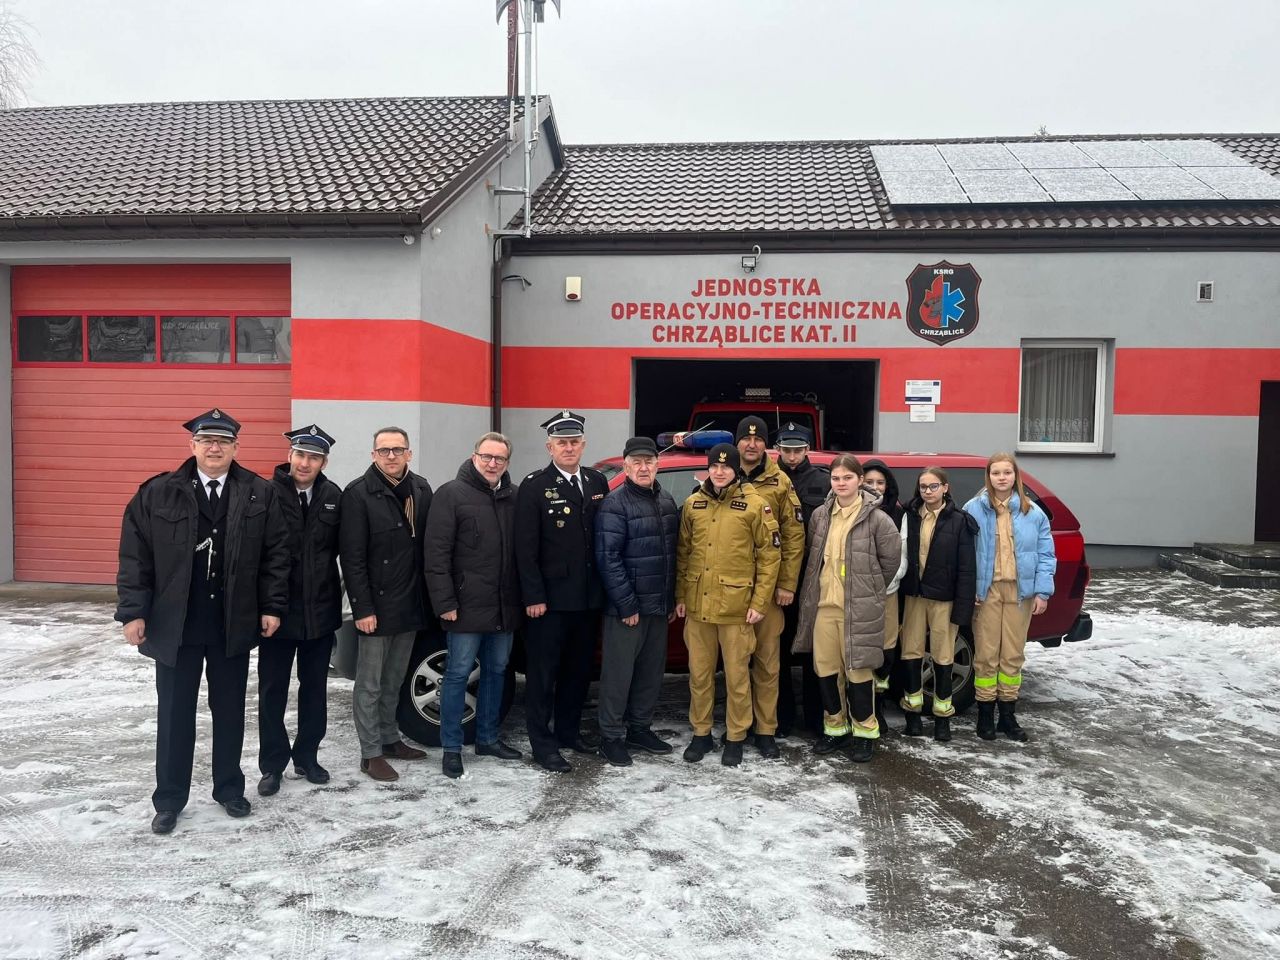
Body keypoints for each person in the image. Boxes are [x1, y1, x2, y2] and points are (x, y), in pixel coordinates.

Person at [116, 409, 289, 834]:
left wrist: (272, 606)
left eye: (223, 442)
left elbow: (277, 555)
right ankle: (170, 798)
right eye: (207, 441)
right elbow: (135, 557)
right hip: (175, 626)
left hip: (232, 622)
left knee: (229, 710)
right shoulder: (159, 493)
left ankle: (229, 788)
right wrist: (133, 611)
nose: (215, 448)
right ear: (192, 446)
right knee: (175, 714)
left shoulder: (258, 494)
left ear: (235, 447)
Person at [425, 432, 523, 779]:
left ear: (507, 462)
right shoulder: (451, 494)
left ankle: (487, 738)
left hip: (503, 606)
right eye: (487, 456)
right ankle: (452, 747)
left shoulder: (513, 497)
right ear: (474, 456)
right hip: (464, 607)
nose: (493, 463)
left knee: (497, 673)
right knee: (457, 675)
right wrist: (445, 602)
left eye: (500, 458)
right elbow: (436, 554)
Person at [515, 410, 609, 773]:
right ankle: (543, 743)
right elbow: (526, 548)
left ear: (583, 445)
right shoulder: (535, 485)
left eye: (574, 442)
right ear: (549, 446)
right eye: (562, 443)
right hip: (549, 603)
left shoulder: (597, 480)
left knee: (578, 672)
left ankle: (569, 733)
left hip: (587, 600)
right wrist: (533, 596)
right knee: (543, 675)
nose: (568, 448)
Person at [676, 443, 781, 767]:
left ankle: (736, 735)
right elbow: (683, 553)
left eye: (726, 466)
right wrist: (681, 596)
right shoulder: (693, 504)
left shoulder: (755, 506)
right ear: (707, 469)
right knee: (700, 675)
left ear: (736, 469)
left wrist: (760, 602)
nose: (719, 471)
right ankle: (701, 732)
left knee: (737, 677)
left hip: (737, 607)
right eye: (714, 466)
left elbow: (769, 557)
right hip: (698, 606)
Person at [792, 455, 902, 761]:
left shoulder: (877, 519)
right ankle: (835, 729)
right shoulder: (821, 516)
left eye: (848, 478)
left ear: (859, 481)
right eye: (836, 478)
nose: (841, 484)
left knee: (858, 671)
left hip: (858, 609)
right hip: (824, 607)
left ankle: (865, 732)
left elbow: (891, 561)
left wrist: (870, 588)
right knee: (826, 671)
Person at [339, 427, 434, 782]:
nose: (391, 456)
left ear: (409, 453)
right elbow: (352, 558)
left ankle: (391, 738)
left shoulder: (422, 489)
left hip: (410, 603)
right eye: (384, 451)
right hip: (375, 608)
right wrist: (362, 609)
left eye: (398, 450)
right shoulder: (358, 494)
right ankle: (371, 753)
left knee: (394, 679)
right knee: (370, 683)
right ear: (373, 455)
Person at [257, 425, 343, 797]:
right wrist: (262, 607)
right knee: (272, 691)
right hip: (276, 615)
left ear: (324, 461)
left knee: (315, 690)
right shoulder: (264, 495)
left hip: (320, 614)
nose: (305, 463)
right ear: (290, 456)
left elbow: (345, 551)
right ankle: (272, 765)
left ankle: (307, 756)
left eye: (314, 457)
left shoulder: (333, 496)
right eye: (300, 455)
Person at [593, 436, 680, 766]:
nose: (644, 468)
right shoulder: (615, 504)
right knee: (618, 674)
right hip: (626, 610)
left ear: (657, 465)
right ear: (627, 466)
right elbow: (608, 558)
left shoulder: (667, 500)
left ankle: (640, 728)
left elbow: (673, 556)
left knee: (650, 673)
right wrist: (626, 605)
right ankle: (611, 736)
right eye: (637, 462)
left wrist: (669, 600)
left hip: (658, 607)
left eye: (649, 462)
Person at [964, 453, 1056, 742]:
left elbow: (1046, 555)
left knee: (1013, 655)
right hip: (987, 592)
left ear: (1016, 476)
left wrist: (1043, 591)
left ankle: (1007, 715)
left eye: (1007, 472)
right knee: (987, 654)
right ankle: (985, 715)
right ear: (988, 477)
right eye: (995, 473)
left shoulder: (1033, 513)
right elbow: (964, 554)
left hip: (1020, 592)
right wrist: (969, 590)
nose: (1001, 478)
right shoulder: (973, 509)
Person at [734, 416, 805, 759]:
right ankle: (738, 725)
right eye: (746, 440)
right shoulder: (723, 476)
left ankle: (766, 730)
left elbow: (793, 537)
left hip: (768, 592)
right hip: (730, 591)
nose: (752, 445)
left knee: (767, 665)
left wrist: (787, 583)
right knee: (733, 664)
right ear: (737, 444)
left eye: (758, 440)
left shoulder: (780, 483)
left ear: (766, 445)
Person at [899, 466, 977, 742]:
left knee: (943, 656)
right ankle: (913, 713)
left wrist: (963, 608)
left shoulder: (960, 521)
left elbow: (968, 569)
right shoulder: (908, 515)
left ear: (946, 487)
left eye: (934, 486)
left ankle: (943, 717)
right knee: (911, 654)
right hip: (914, 596)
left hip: (944, 599)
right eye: (923, 487)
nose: (928, 491)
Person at [775, 422, 829, 736]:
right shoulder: (768, 481)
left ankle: (815, 719)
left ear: (807, 450)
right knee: (776, 652)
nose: (792, 456)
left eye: (797, 450)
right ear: (778, 450)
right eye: (786, 450)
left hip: (813, 581)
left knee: (813, 653)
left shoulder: (823, 482)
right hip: (777, 580)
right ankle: (781, 719)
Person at [861, 459, 909, 733]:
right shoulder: (851, 510)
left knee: (885, 651)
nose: (875, 487)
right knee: (861, 651)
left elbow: (901, 557)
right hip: (857, 595)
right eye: (870, 482)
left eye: (880, 482)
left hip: (887, 591)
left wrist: (883, 585)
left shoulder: (899, 514)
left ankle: (878, 704)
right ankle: (861, 706)